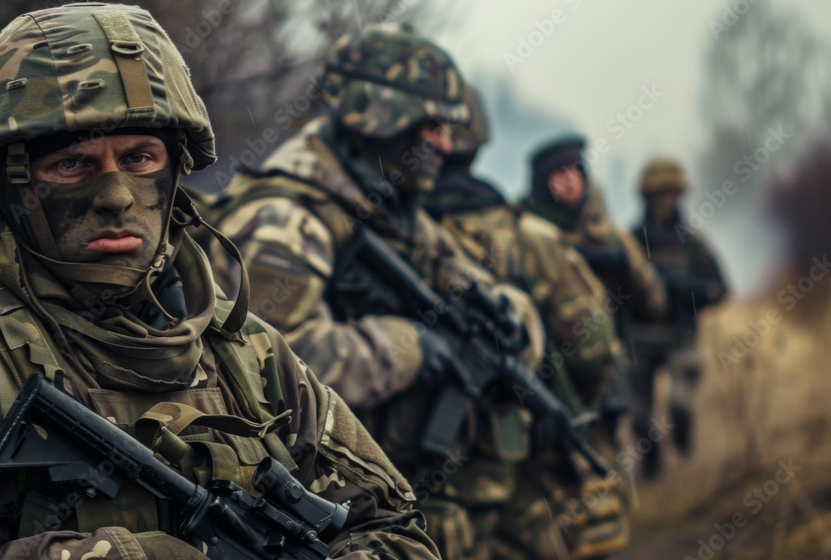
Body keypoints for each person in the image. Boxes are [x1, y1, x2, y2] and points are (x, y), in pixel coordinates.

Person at [0, 5, 441, 559]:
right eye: (72, 164)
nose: (117, 197)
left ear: (176, 168)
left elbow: (396, 530)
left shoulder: (247, 355)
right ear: (17, 181)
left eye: (140, 158)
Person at [208, 24, 560, 560]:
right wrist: (409, 348)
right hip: (325, 517)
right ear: (382, 118)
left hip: (398, 496)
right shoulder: (286, 220)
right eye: (433, 126)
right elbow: (268, 372)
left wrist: (514, 319)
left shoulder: (391, 209)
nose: (445, 144)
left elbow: (471, 285)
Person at [423, 87, 630, 559]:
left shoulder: (397, 231)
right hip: (512, 462)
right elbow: (593, 346)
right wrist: (564, 410)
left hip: (405, 474)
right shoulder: (530, 237)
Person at [519, 135, 666, 478]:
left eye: (576, 171)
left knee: (607, 477)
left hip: (604, 380)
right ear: (542, 183)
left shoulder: (610, 237)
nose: (570, 181)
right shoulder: (524, 237)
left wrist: (626, 273)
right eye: (559, 173)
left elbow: (655, 301)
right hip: (546, 383)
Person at [630, 157, 727, 476]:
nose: (668, 201)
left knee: (680, 405)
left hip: (680, 336)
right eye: (662, 194)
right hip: (640, 339)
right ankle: (651, 462)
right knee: (638, 415)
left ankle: (683, 444)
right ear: (648, 197)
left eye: (674, 194)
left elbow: (720, 288)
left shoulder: (692, 241)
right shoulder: (631, 241)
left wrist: (686, 291)